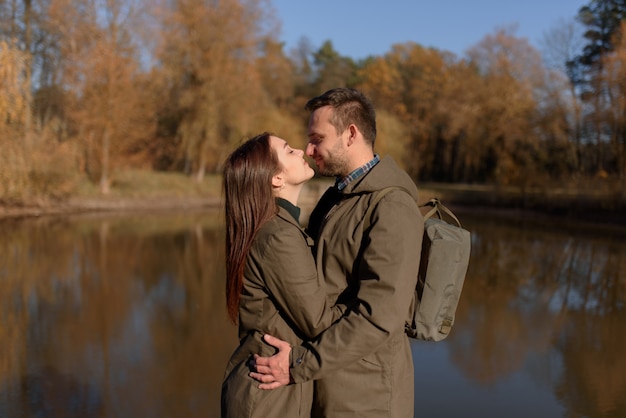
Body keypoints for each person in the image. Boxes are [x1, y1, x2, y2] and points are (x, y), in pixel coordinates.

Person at [250, 88, 424, 417]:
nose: (309, 149)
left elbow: (379, 317)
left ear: (351, 134)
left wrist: (298, 365)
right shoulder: (338, 198)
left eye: (317, 138)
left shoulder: (391, 206)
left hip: (366, 398)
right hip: (328, 385)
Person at [220, 132, 347, 418]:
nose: (301, 151)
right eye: (289, 151)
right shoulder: (278, 235)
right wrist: (373, 308)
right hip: (268, 398)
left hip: (267, 391)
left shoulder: (277, 228)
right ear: (276, 179)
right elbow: (319, 321)